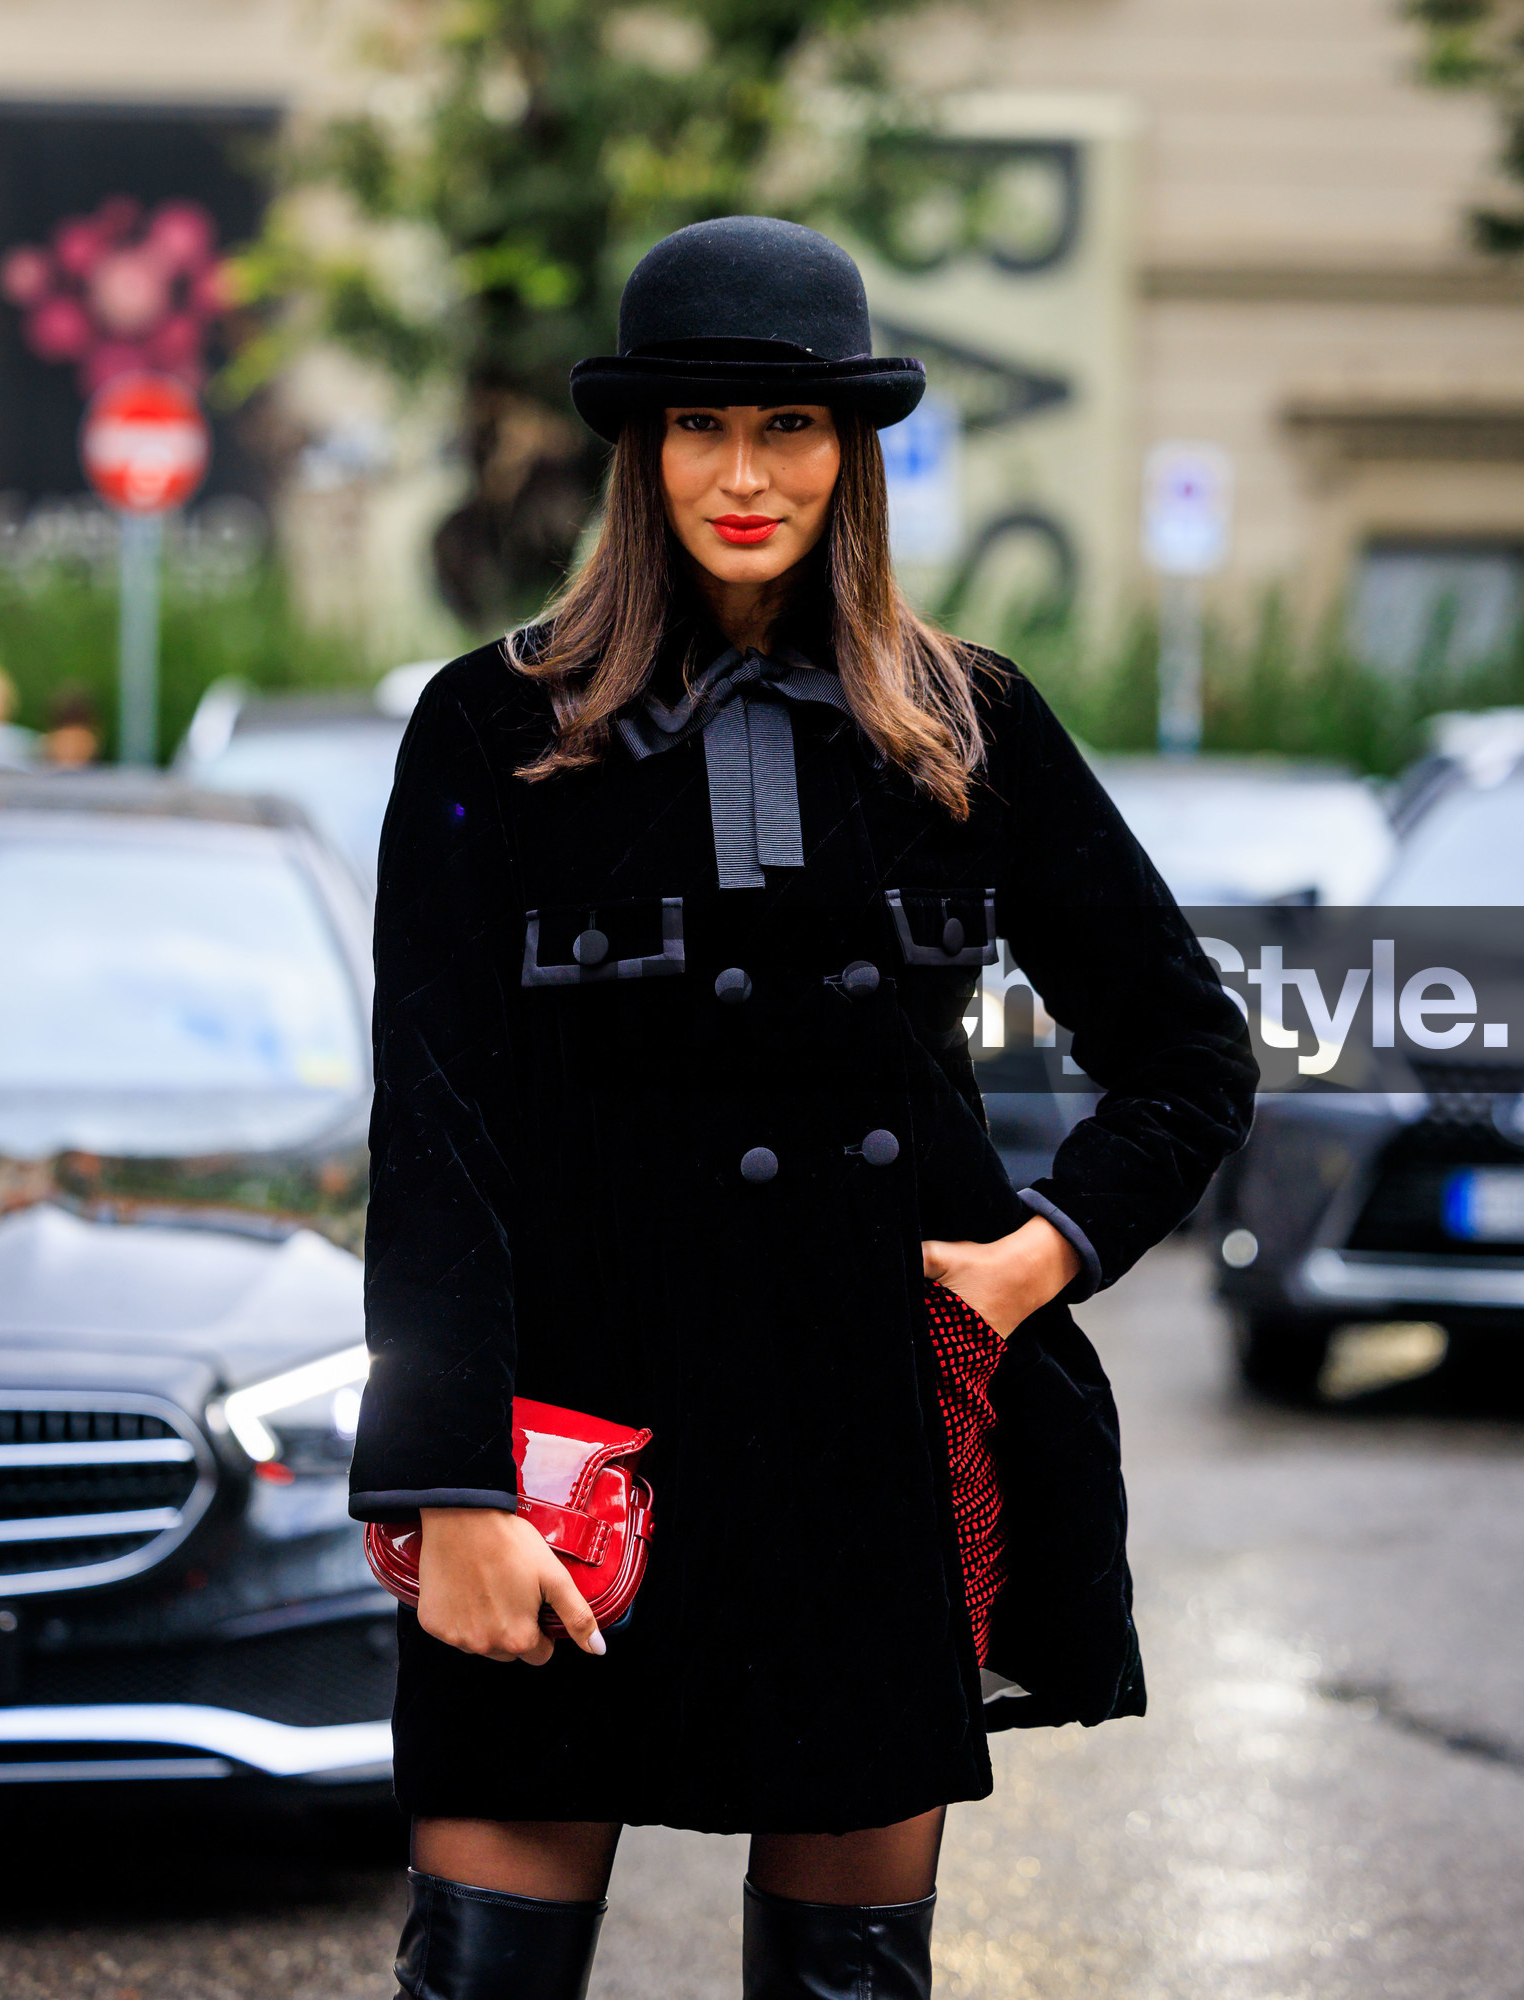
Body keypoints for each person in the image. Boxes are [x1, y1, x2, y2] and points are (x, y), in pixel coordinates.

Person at [350, 216, 1258, 2000]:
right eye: (702, 426)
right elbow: (434, 1128)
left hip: (862, 1435)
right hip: (569, 1443)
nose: (746, 473)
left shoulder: (968, 721)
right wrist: (450, 1486)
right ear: (643, 451)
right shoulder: (488, 726)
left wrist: (1034, 1257)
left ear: (852, 454)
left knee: (849, 1985)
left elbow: (1188, 1048)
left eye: (792, 429)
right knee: (478, 1980)